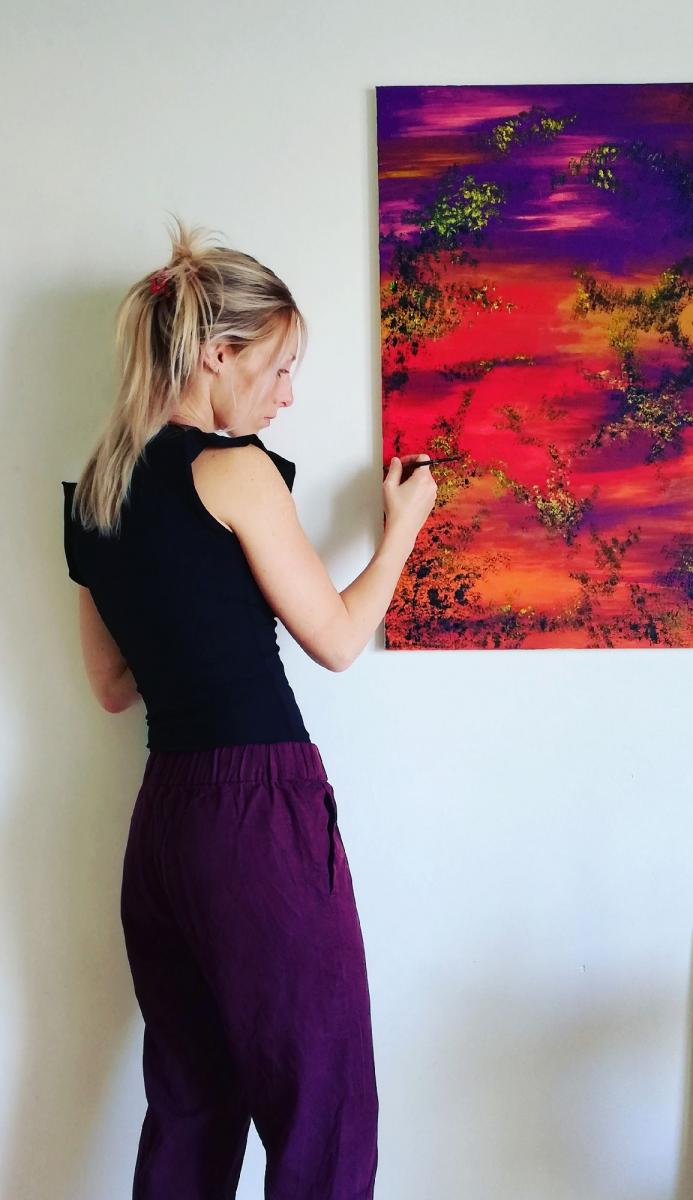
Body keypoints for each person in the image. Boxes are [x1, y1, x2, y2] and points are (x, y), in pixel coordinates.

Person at [60, 215, 437, 1199]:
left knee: (192, 1107)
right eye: (278, 367)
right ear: (216, 355)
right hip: (256, 813)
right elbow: (338, 640)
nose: (287, 394)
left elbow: (111, 687)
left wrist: (188, 608)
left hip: (166, 823)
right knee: (322, 1109)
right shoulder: (236, 470)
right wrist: (402, 528)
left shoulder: (95, 494)